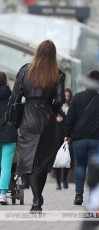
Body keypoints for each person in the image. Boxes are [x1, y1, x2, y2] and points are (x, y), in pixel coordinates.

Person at [6, 40, 66, 212]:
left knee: (31, 161)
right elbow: (60, 100)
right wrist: (53, 108)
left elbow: (15, 97)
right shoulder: (58, 74)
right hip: (48, 119)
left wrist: (10, 118)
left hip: (29, 118)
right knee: (44, 161)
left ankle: (36, 199)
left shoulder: (25, 70)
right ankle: (38, 197)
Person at [64, 70, 99, 206]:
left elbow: (70, 118)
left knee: (80, 166)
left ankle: (78, 194)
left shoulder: (77, 97)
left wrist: (67, 134)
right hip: (97, 139)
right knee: (94, 168)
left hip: (79, 139)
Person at [0, 72, 17, 205]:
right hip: (9, 134)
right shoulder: (12, 95)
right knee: (6, 166)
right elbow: (17, 113)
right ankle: (2, 194)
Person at [54, 88, 74, 190]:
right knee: (57, 158)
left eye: (68, 96)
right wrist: (56, 118)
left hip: (67, 135)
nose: (66, 98)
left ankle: (65, 179)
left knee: (67, 157)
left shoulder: (72, 106)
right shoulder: (57, 106)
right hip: (58, 134)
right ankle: (58, 182)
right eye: (64, 96)